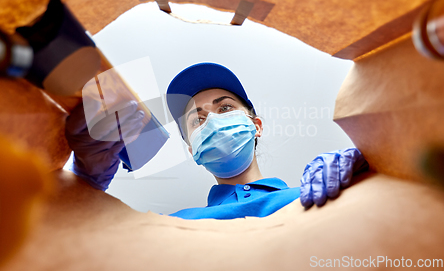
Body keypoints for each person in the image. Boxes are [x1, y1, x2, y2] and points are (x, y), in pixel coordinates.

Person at [66, 62, 368, 220]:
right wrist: (87, 183)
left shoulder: (317, 193)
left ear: (256, 126)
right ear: (192, 149)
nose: (211, 119)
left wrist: (372, 159)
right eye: (197, 120)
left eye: (225, 108)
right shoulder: (174, 224)